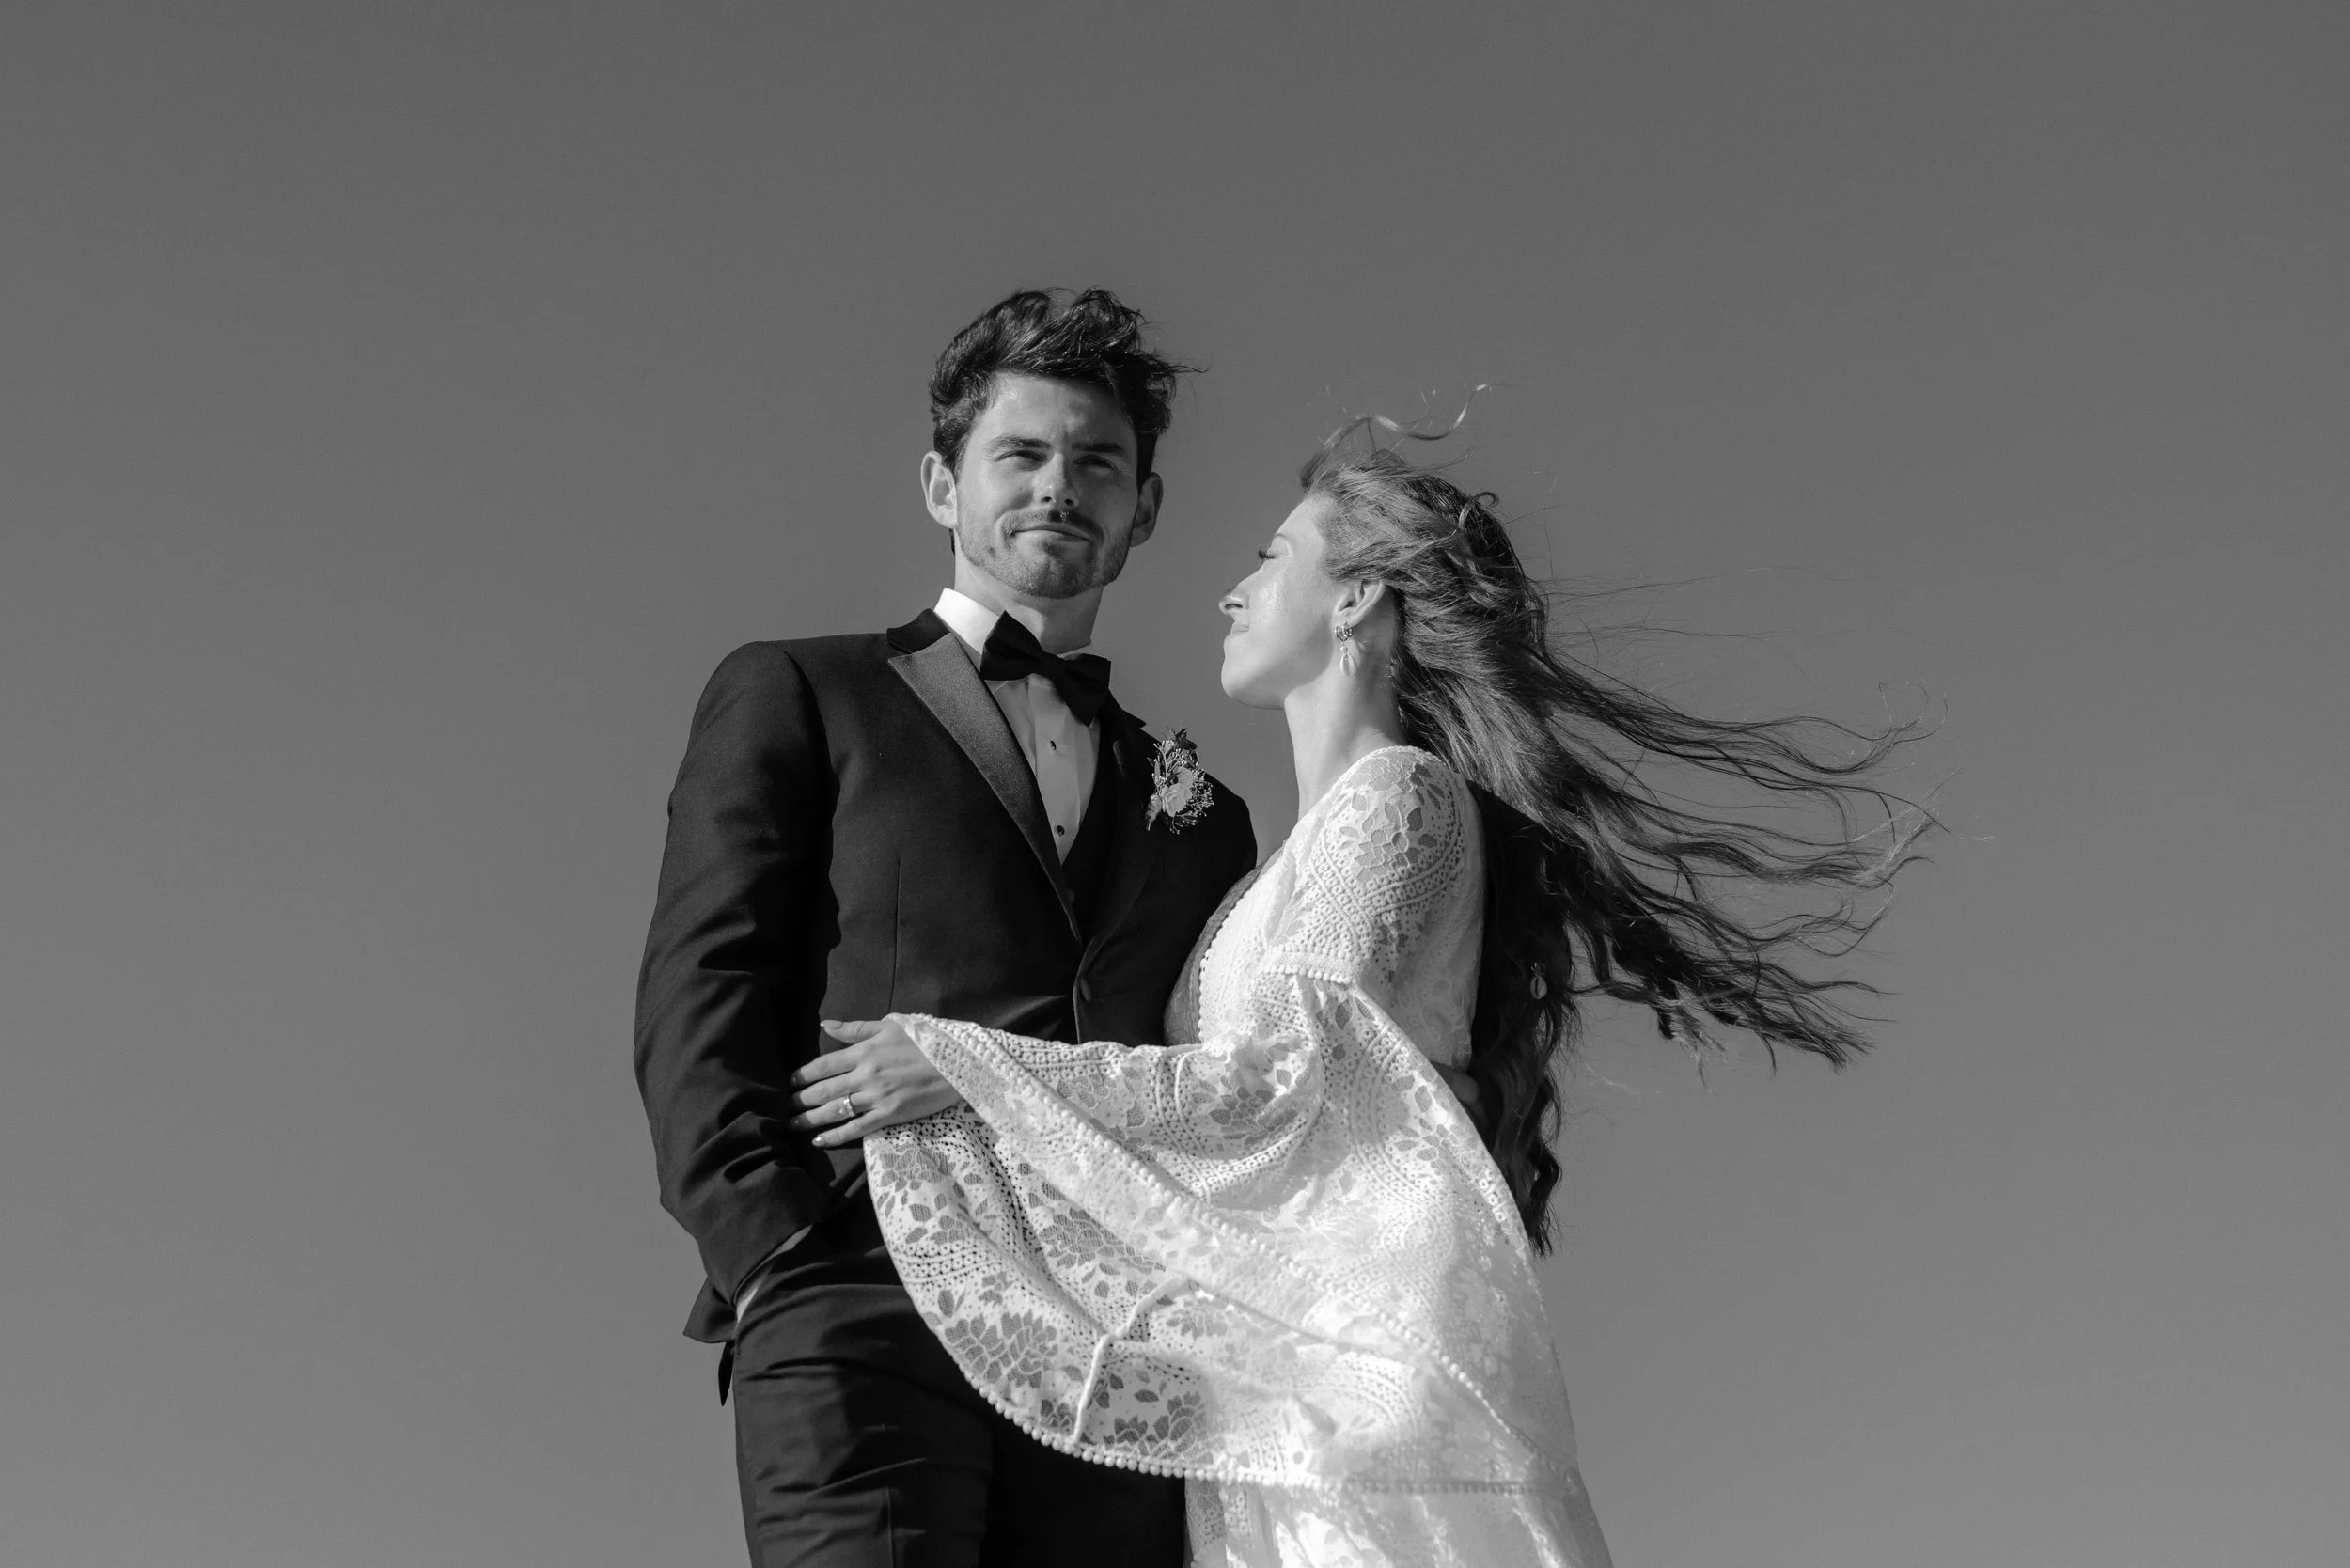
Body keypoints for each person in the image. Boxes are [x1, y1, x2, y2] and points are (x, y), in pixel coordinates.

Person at [796, 429, 1923, 1565]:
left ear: (1354, 605)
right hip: (1283, 1372)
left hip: (1355, 1374)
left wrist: (964, 1066)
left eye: (1270, 560)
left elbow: (1271, 1086)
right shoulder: (1273, 868)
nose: (1232, 595)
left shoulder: (1398, 799)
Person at [633, 288, 1261, 1565]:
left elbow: (1203, 1079)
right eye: (1019, 455)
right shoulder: (803, 691)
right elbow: (707, 983)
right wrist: (777, 1256)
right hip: (861, 1292)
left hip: (1117, 1357)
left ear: (1144, 508)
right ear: (942, 485)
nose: (1058, 488)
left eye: (1098, 463)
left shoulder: (1208, 818)